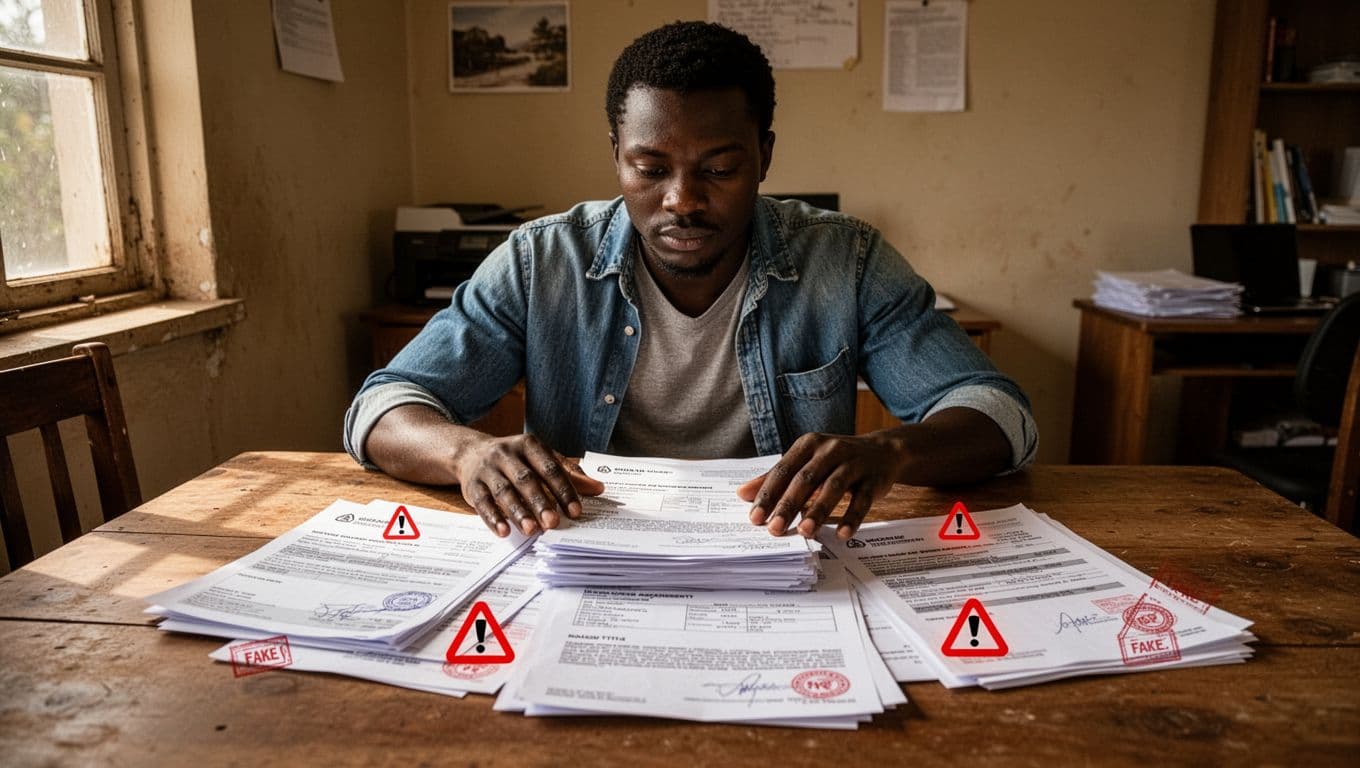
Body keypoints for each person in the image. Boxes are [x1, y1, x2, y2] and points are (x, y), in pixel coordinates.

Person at [345, 21, 1037, 543]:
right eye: (650, 169)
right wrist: (467, 451)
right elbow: (385, 407)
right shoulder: (540, 263)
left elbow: (997, 413)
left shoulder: (843, 263)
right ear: (616, 157)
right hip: (589, 555)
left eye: (719, 168)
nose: (682, 200)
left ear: (765, 155)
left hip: (780, 557)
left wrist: (891, 451)